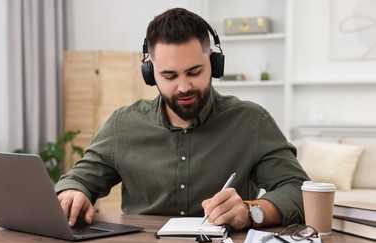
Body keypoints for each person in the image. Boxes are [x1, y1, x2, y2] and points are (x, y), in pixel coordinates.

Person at [55, 7, 309, 230]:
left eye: (194, 71)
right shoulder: (123, 124)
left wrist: (251, 210)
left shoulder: (252, 121)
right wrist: (73, 192)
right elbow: (79, 179)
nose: (184, 87)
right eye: (169, 76)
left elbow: (298, 190)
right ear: (150, 73)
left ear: (214, 63)